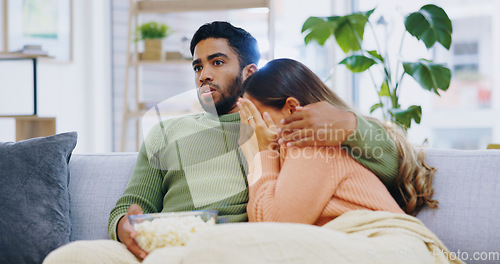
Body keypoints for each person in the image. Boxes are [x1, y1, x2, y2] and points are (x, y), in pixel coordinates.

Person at [43, 22, 399, 264]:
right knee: (70, 257)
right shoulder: (166, 132)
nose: (204, 74)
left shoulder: (274, 129)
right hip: (159, 245)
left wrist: (350, 123)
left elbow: (387, 166)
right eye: (197, 66)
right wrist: (122, 224)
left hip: (229, 247)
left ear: (250, 72)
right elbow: (134, 201)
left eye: (217, 62)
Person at [227, 58, 461, 263]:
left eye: (255, 115)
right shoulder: (292, 152)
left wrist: (261, 155)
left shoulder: (311, 143)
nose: (252, 127)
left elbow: (273, 229)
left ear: (291, 109)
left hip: (386, 247)